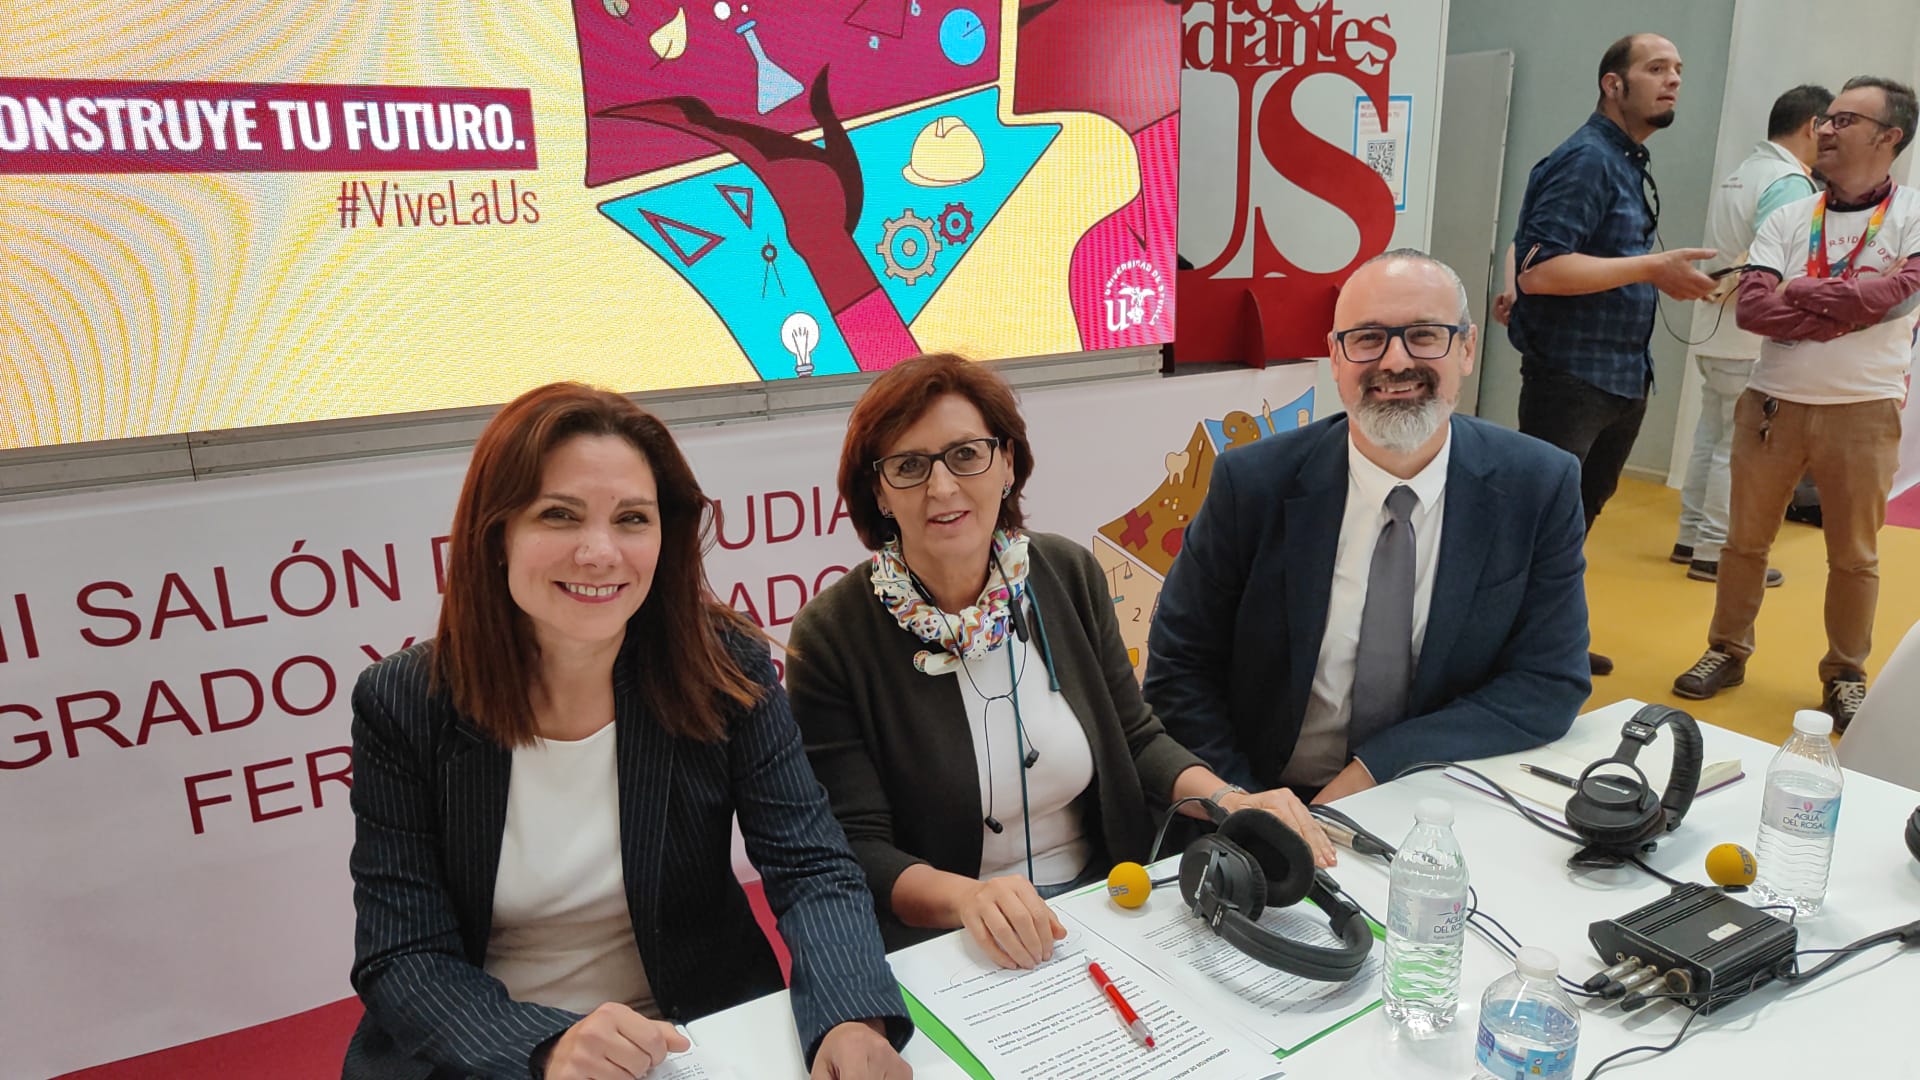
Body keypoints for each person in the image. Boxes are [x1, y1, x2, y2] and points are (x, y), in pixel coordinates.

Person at [344, 384, 911, 1080]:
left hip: (694, 1033)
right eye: (560, 515)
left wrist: (850, 1016)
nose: (599, 552)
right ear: (496, 534)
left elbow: (811, 865)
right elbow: (403, 954)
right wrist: (545, 1045)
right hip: (491, 1050)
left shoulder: (722, 669)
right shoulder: (404, 703)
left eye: (632, 519)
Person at [785, 353, 1337, 969]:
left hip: (1109, 899)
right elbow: (858, 845)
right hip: (954, 939)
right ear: (880, 493)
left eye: (967, 455)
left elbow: (1136, 735)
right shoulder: (832, 635)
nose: (942, 487)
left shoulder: (1064, 572)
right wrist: (969, 899)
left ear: (1008, 465)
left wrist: (1230, 799)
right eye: (909, 466)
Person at [1144, 250, 1592, 806]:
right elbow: (1178, 671)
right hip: (1261, 791)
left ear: (1468, 349)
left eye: (1425, 335)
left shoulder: (1538, 484)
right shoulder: (1253, 484)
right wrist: (1245, 804)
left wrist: (1380, 766)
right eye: (1367, 339)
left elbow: (1551, 680)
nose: (1396, 362)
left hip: (1431, 794)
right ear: (1335, 358)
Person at [1672, 77, 1920, 732]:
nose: (1826, 129)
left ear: (1889, 136)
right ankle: (1726, 649)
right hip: (1773, 402)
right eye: (1826, 119)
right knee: (1744, 542)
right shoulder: (1790, 215)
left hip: (1863, 410)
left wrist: (1805, 295)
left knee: (1855, 555)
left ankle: (1845, 673)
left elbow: (1899, 298)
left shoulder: (1912, 215)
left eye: (1844, 119)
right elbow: (1754, 307)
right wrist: (1847, 302)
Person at [1507, 32, 1719, 676]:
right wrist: (1654, 268)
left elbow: (1554, 259)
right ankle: (1506, 651)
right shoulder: (1588, 160)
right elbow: (1539, 270)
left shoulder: (1624, 158)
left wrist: (1648, 271)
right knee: (1540, 527)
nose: (1673, 80)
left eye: (1678, 69)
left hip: (1620, 374)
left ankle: (1546, 643)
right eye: (1656, 68)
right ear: (1613, 84)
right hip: (1573, 377)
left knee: (1574, 522)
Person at [1672, 84, 1832, 587]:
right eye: (1830, 127)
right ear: (1811, 126)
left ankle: (1691, 536)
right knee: (1736, 446)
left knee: (1711, 435)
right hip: (1746, 331)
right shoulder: (1789, 182)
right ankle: (1715, 553)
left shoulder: (1743, 172)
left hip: (1713, 326)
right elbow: (1775, 262)